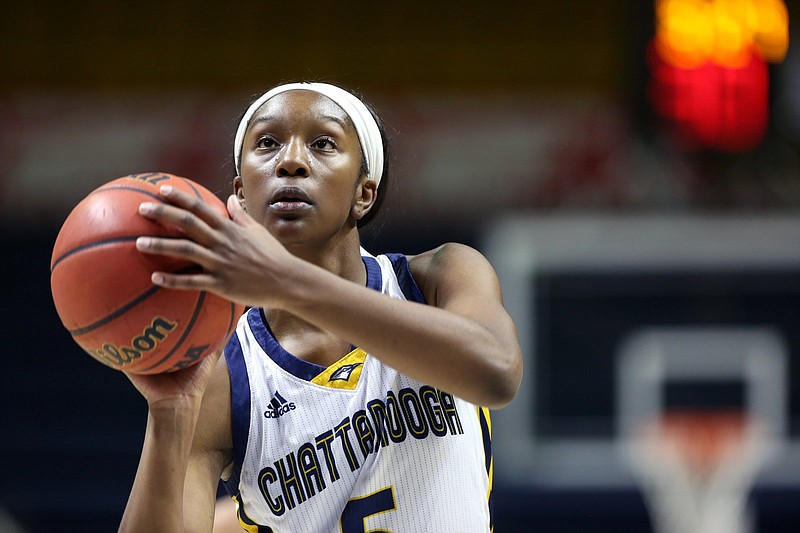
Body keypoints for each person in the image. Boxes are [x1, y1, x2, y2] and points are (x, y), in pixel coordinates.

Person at [119, 81, 523, 532]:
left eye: (323, 143)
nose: (290, 161)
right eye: (267, 143)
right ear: (242, 195)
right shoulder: (226, 374)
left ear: (363, 193)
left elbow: (497, 371)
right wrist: (169, 415)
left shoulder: (437, 278)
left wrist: (288, 283)